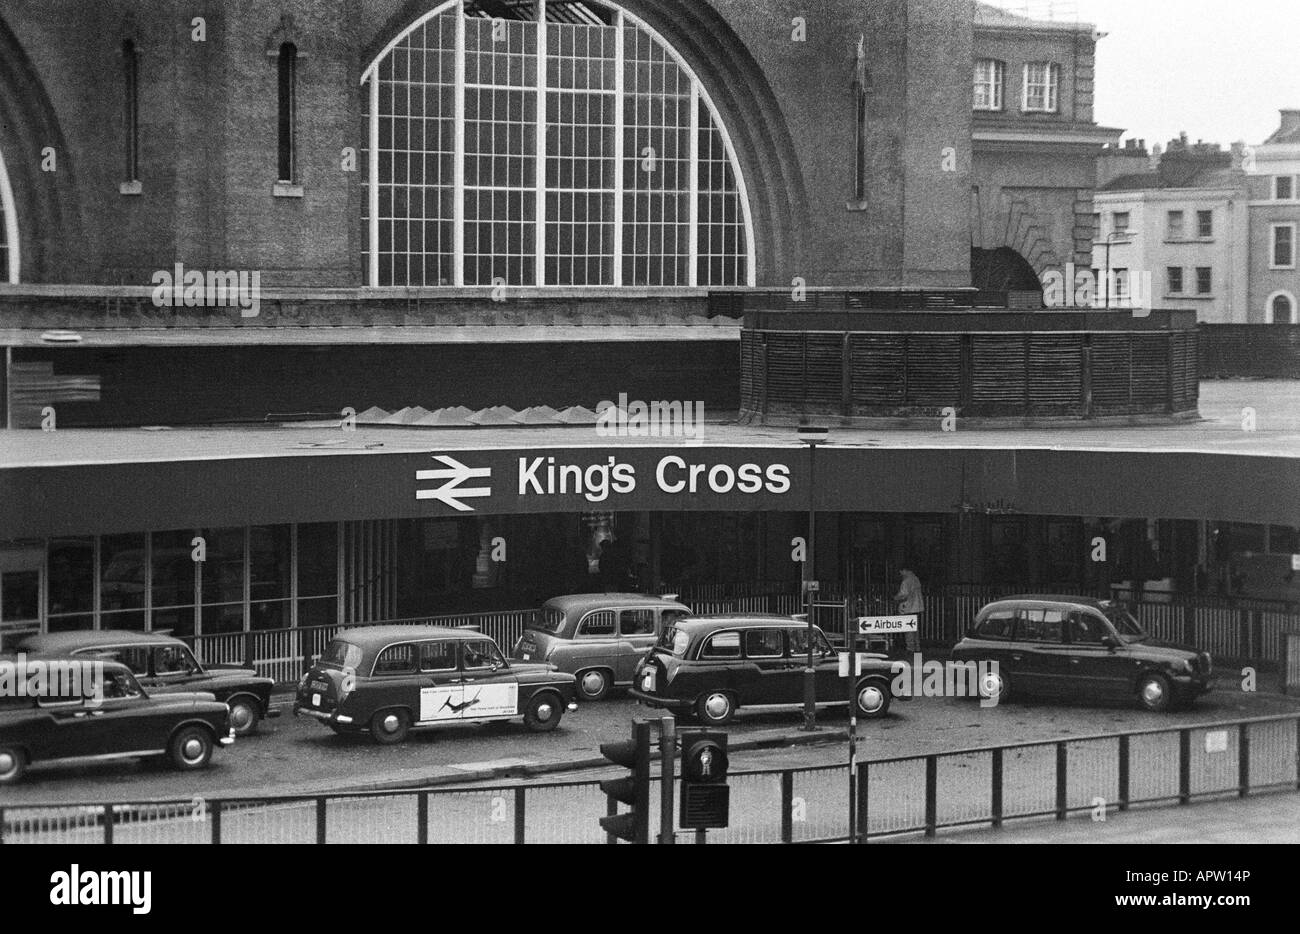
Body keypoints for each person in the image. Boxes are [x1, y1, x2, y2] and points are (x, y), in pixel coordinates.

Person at [892, 567, 924, 654]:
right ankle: (917, 647)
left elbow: (904, 594)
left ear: (904, 570)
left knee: (908, 629)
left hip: (908, 608)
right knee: (915, 629)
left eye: (901, 571)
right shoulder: (916, 579)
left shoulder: (906, 581)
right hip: (917, 607)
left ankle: (910, 648)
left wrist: (895, 598)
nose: (900, 574)